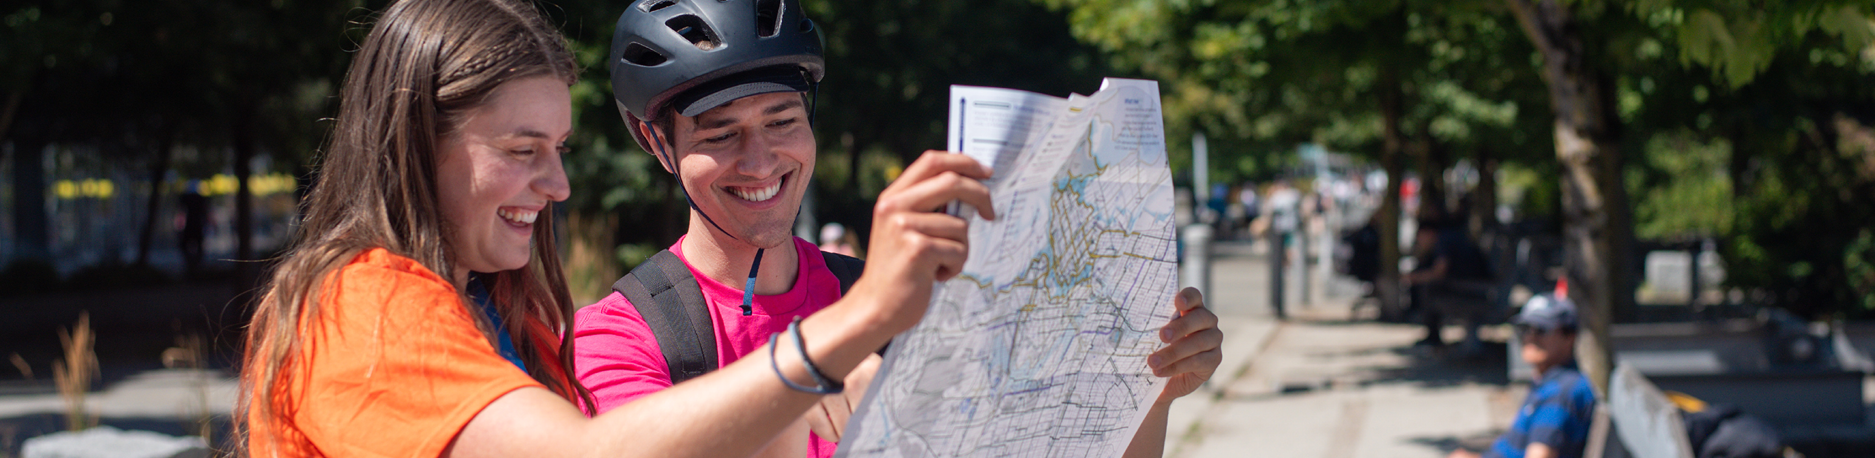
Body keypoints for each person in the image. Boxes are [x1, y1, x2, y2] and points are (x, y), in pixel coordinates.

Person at [238, 1, 989, 456]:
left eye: (557, 151)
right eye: (521, 150)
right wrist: (857, 323)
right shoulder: (363, 305)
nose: (557, 185)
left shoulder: (502, 311)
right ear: (412, 143)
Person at [575, 1, 1224, 457]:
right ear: (656, 143)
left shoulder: (906, 300)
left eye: (782, 122)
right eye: (720, 134)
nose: (760, 161)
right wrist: (798, 406)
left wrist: (1144, 393)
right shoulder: (622, 337)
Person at [1448, 292, 1596, 458]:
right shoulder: (1550, 382)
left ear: (1569, 337)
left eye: (1541, 329)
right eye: (1525, 329)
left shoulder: (1560, 393)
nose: (1530, 337)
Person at [1404, 217, 1494, 352]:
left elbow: (1439, 272)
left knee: (1428, 288)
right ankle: (1433, 335)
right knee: (1429, 288)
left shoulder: (1443, 241)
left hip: (1474, 289)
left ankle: (1433, 336)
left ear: (1429, 233)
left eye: (1420, 237)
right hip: (1475, 285)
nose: (1419, 241)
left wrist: (1414, 278)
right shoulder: (1448, 237)